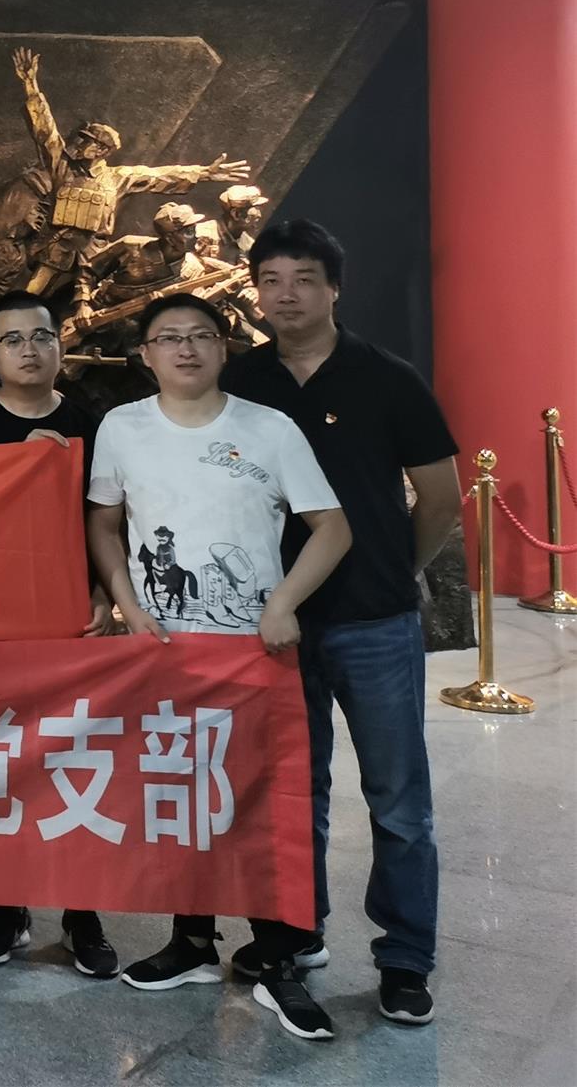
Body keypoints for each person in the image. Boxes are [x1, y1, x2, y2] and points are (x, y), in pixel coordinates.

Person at [88, 291, 352, 1042]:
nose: (185, 348)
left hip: (254, 652)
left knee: (262, 800)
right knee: (180, 789)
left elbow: (332, 528)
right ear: (145, 354)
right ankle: (192, 941)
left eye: (200, 335)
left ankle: (277, 956)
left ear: (222, 347)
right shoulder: (122, 426)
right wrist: (126, 601)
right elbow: (103, 522)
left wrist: (285, 602)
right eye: (168, 337)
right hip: (165, 651)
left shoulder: (268, 427)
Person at [222, 219, 454, 1028]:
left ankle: (406, 956)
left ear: (334, 288)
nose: (285, 294)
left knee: (397, 796)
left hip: (372, 619)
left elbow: (441, 496)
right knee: (294, 788)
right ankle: (300, 931)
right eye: (270, 279)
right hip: (272, 622)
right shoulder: (240, 380)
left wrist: (397, 567)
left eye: (303, 279)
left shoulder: (387, 376)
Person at [0, 290, 118, 979]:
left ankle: (82, 912)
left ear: (60, 346)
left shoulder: (94, 424)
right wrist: (19, 464)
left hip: (71, 617)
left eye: (42, 337)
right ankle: (2, 908)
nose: (29, 350)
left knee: (75, 758)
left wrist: (106, 592)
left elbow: (110, 520)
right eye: (13, 339)